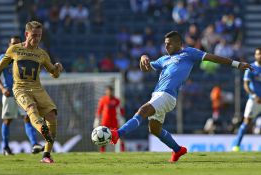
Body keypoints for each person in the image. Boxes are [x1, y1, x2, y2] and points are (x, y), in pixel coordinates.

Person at [109, 31, 253, 162]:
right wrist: (143, 57)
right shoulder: (164, 59)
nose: (166, 47)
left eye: (169, 44)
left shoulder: (189, 53)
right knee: (154, 129)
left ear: (179, 43)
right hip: (157, 95)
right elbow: (145, 68)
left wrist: (237, 64)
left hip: (167, 95)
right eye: (165, 44)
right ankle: (178, 150)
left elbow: (213, 58)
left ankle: (118, 133)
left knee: (143, 111)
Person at [0, 21, 63, 163]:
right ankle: (42, 130)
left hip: (37, 88)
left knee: (52, 116)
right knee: (31, 109)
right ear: (26, 34)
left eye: (39, 36)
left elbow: (54, 74)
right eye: (34, 35)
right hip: (20, 88)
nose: (37, 39)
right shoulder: (14, 50)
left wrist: (57, 68)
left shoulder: (42, 54)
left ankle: (46, 155)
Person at [0, 36, 43, 155]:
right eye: (13, 43)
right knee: (7, 120)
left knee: (28, 117)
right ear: (9, 45)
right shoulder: (3, 58)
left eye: (17, 43)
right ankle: (5, 147)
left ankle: (34, 144)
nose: (15, 45)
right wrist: (2, 89)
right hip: (9, 93)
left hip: (22, 93)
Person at [232, 47, 261, 152]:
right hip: (254, 100)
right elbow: (246, 85)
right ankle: (236, 145)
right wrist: (254, 96)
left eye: (260, 54)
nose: (259, 56)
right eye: (258, 54)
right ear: (255, 55)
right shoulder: (251, 67)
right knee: (246, 122)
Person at [94, 86, 125, 152]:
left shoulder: (117, 100)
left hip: (114, 122)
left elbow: (121, 110)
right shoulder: (103, 100)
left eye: (110, 91)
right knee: (103, 138)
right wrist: (97, 119)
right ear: (106, 91)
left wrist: (122, 117)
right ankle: (102, 153)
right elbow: (99, 110)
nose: (109, 92)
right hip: (105, 122)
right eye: (108, 91)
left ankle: (123, 151)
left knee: (119, 136)